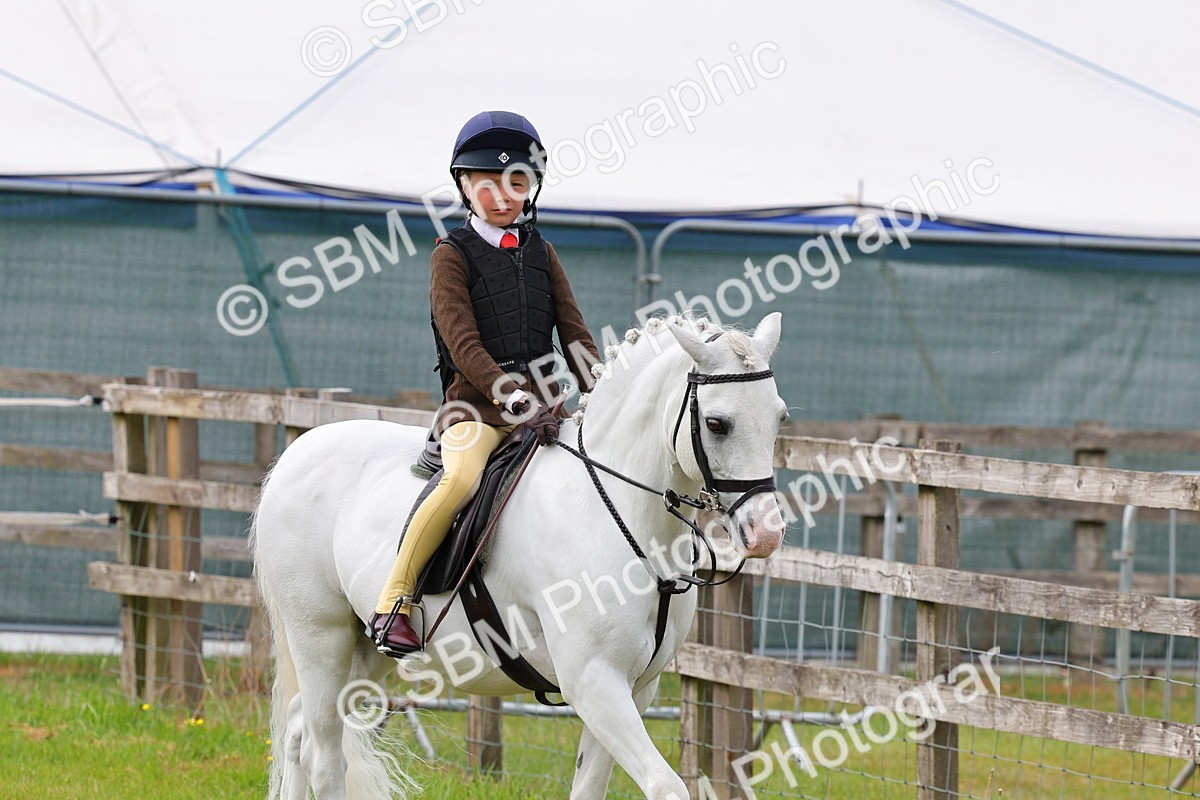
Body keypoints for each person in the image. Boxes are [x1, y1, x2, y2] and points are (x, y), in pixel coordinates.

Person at [370, 110, 600, 656]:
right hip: (475, 413)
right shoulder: (450, 256)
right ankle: (395, 600)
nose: (504, 195)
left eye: (517, 182)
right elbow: (462, 342)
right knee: (461, 484)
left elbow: (574, 333)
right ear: (465, 187)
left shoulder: (542, 252)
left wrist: (599, 384)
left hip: (544, 413)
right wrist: (505, 389)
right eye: (489, 183)